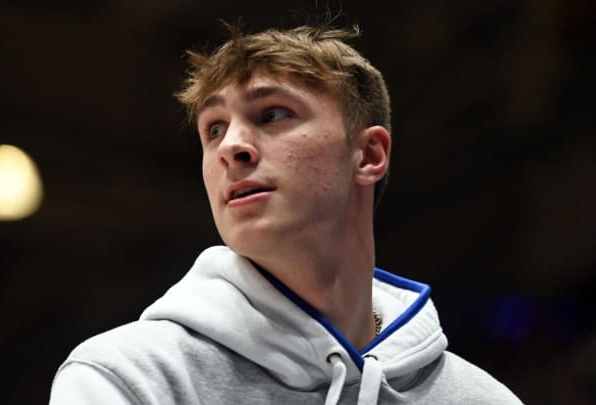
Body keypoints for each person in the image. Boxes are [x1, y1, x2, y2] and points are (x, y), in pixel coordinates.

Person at [49, 23, 523, 405]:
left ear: (368, 155)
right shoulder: (124, 378)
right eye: (214, 129)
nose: (230, 146)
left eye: (272, 114)